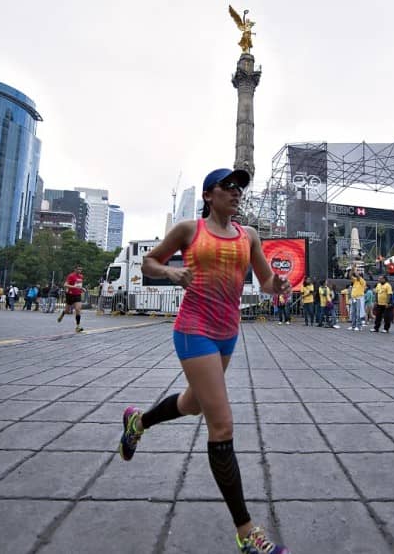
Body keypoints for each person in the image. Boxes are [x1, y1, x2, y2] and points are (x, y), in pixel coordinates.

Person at [117, 167, 291, 554]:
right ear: (209, 195)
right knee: (222, 424)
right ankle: (246, 533)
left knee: (193, 404)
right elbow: (149, 262)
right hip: (193, 329)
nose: (236, 193)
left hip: (228, 332)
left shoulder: (249, 237)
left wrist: (277, 285)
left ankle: (138, 422)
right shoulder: (189, 230)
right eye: (228, 187)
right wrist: (171, 273)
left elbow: (264, 282)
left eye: (240, 188)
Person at [57, 264, 86, 332]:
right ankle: (63, 314)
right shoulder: (71, 276)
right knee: (67, 311)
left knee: (78, 309)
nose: (80, 271)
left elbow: (79, 285)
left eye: (81, 269)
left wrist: (82, 288)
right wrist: (74, 287)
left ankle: (77, 327)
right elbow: (65, 285)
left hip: (77, 295)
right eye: (78, 269)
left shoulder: (81, 276)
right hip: (70, 294)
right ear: (75, 269)